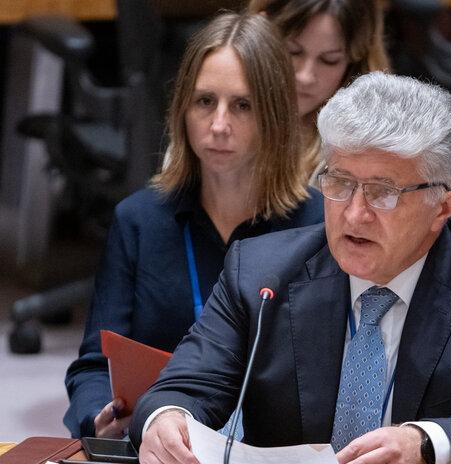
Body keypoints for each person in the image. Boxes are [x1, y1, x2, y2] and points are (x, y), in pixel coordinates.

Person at [129, 72, 451, 464]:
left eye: (383, 192)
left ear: (442, 207)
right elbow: (181, 389)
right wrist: (165, 420)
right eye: (339, 183)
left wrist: (424, 445)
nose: (355, 214)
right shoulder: (261, 273)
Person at [64, 12, 324, 439]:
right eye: (205, 102)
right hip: (158, 444)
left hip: (274, 454)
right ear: (183, 108)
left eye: (242, 105)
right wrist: (98, 416)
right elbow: (94, 366)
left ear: (275, 115)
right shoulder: (139, 220)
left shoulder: (318, 227)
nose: (219, 125)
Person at [247, 0, 390, 180]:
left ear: (354, 65)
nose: (305, 77)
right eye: (293, 51)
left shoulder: (363, 150)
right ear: (259, 32)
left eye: (329, 60)